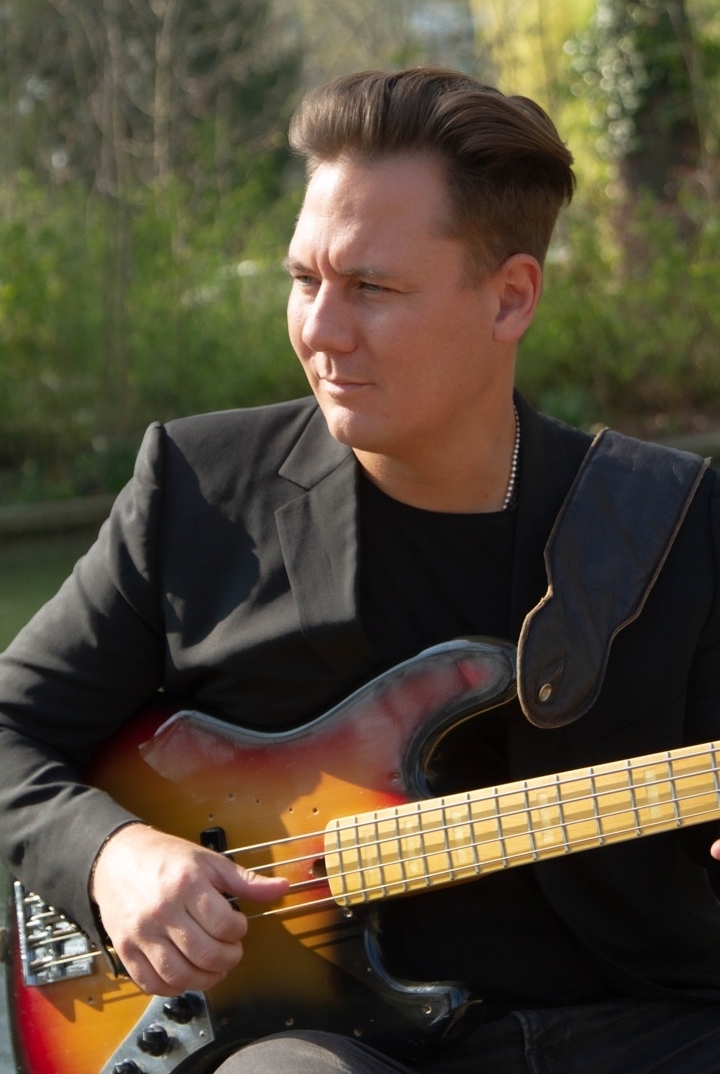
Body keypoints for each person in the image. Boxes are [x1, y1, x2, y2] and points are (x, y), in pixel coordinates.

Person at [1, 67, 720, 1074]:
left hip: (641, 1023)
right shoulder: (198, 490)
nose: (320, 330)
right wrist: (110, 857)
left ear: (511, 297)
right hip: (301, 1042)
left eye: (371, 288)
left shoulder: (676, 523)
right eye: (306, 280)